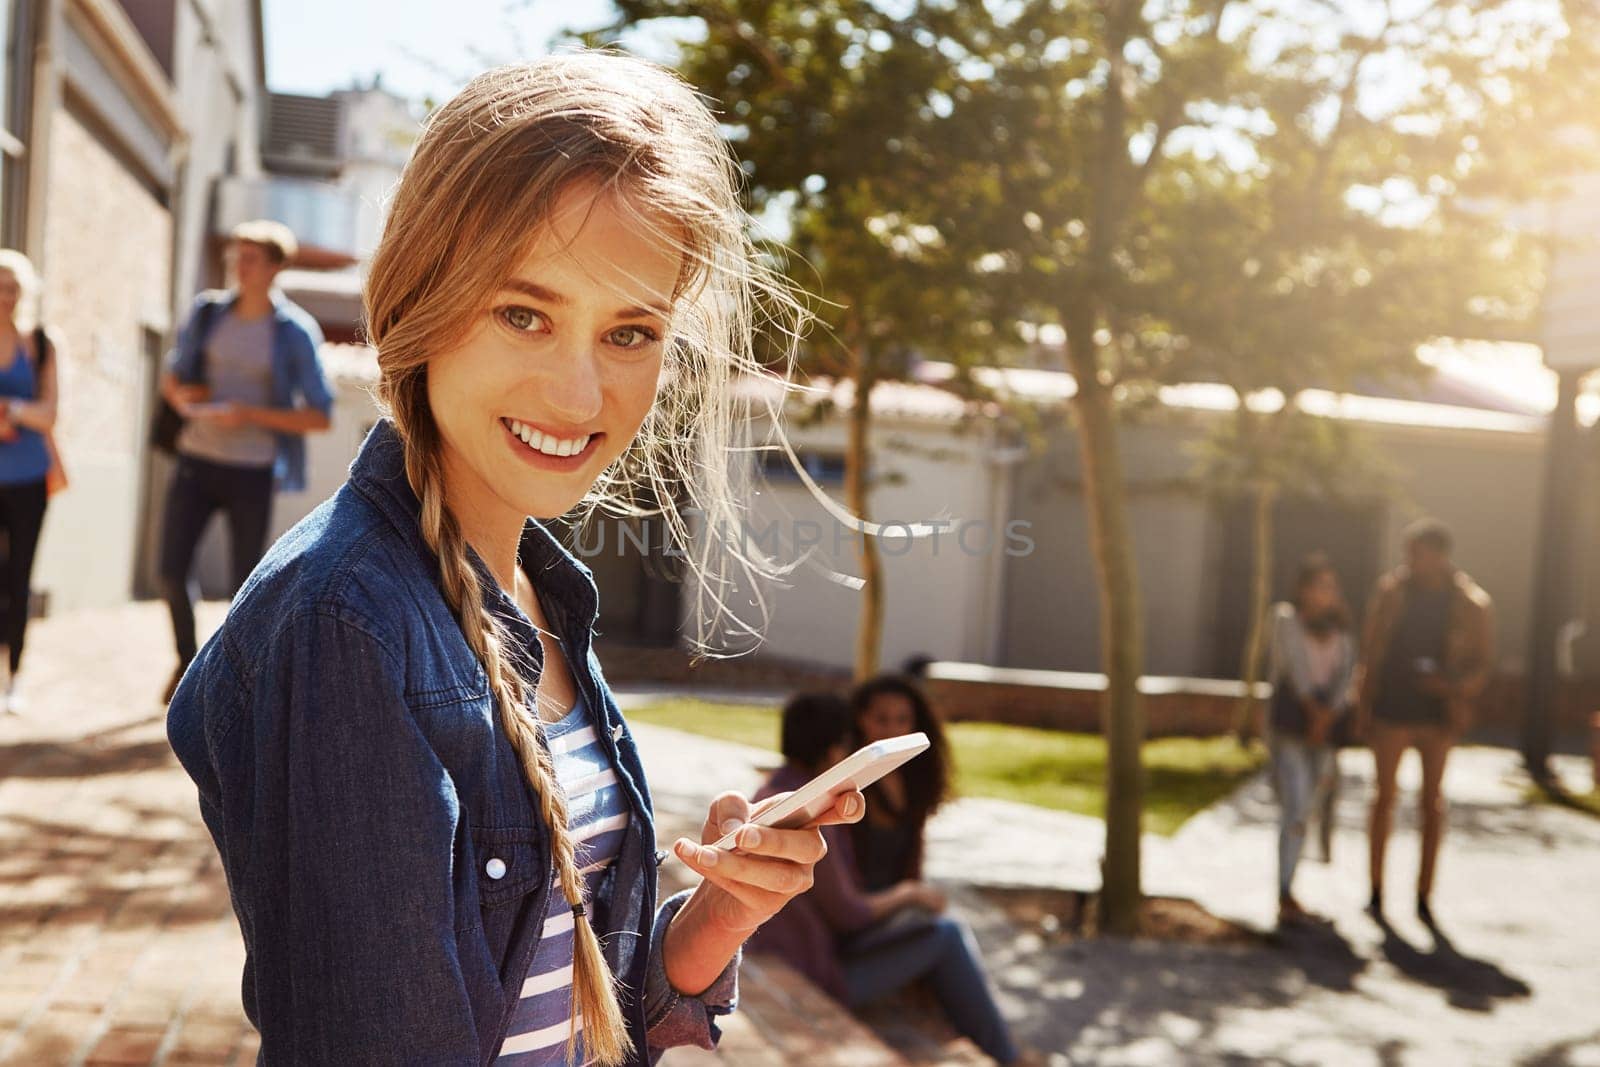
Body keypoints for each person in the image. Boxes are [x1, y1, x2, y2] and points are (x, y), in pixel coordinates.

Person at [166, 53, 857, 1066]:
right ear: (419, 298)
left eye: (630, 331)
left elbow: (557, 1007)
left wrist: (714, 915)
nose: (581, 397)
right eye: (524, 313)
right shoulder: (346, 625)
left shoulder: (539, 591)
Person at [749, 692, 1026, 1065]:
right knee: (945, 935)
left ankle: (995, 1049)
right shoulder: (806, 808)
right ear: (834, 751)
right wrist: (909, 895)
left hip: (794, 956)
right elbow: (847, 914)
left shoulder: (774, 791)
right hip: (818, 973)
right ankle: (1007, 1057)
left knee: (929, 926)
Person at [157, 219, 334, 703]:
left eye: (251, 257)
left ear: (276, 267)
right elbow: (174, 376)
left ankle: (231, 675)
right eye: (237, 255)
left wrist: (247, 414)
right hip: (196, 457)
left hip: (252, 469)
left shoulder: (295, 332)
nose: (240, 264)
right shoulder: (209, 312)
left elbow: (320, 416)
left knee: (245, 582)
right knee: (171, 569)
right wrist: (183, 397)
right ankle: (188, 662)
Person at [1357, 518, 1493, 924]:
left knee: (1431, 804)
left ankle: (1423, 894)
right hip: (1392, 708)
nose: (1409, 561)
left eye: (1416, 553)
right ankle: (1376, 889)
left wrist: (1450, 687)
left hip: (1437, 712)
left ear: (1438, 556)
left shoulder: (1471, 603)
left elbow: (1481, 665)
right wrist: (1362, 705)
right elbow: (1369, 651)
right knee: (1384, 797)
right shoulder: (1392, 592)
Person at [1266, 553, 1357, 926]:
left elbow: (1346, 678)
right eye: (1320, 585)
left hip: (1325, 733)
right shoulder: (1286, 620)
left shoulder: (1342, 632)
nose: (1327, 594)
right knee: (1296, 804)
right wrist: (1313, 711)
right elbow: (1296, 672)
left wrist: (1327, 717)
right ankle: (1284, 890)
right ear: (1303, 589)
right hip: (1290, 727)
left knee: (1310, 807)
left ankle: (1293, 884)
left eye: (1331, 587)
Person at [0, 250, 58, 715]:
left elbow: (48, 413)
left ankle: (14, 677)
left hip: (29, 480)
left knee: (19, 578)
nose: (5, 296)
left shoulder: (40, 343)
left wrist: (11, 411)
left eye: (12, 287)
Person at [850, 673, 954, 892]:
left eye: (902, 720)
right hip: (859, 905)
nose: (892, 730)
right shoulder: (850, 780)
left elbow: (913, 859)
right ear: (861, 719)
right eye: (881, 720)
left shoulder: (916, 778)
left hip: (896, 900)